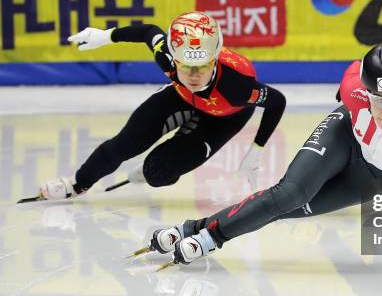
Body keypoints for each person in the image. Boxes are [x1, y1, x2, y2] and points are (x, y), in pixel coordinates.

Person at [139, 42, 382, 276]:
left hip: (374, 177)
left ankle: (193, 227)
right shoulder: (354, 91)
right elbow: (353, 72)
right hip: (343, 135)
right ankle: (209, 238)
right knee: (288, 194)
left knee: (284, 208)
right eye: (377, 98)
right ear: (365, 88)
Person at [33, 11, 286, 200]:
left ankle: (151, 169)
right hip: (181, 98)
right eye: (186, 67)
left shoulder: (238, 86)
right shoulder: (165, 54)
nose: (195, 76)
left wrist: (257, 149)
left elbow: (277, 102)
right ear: (174, 59)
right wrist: (105, 36)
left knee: (157, 172)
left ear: (215, 59)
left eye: (204, 66)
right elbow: (147, 31)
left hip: (225, 116)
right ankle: (76, 185)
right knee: (123, 145)